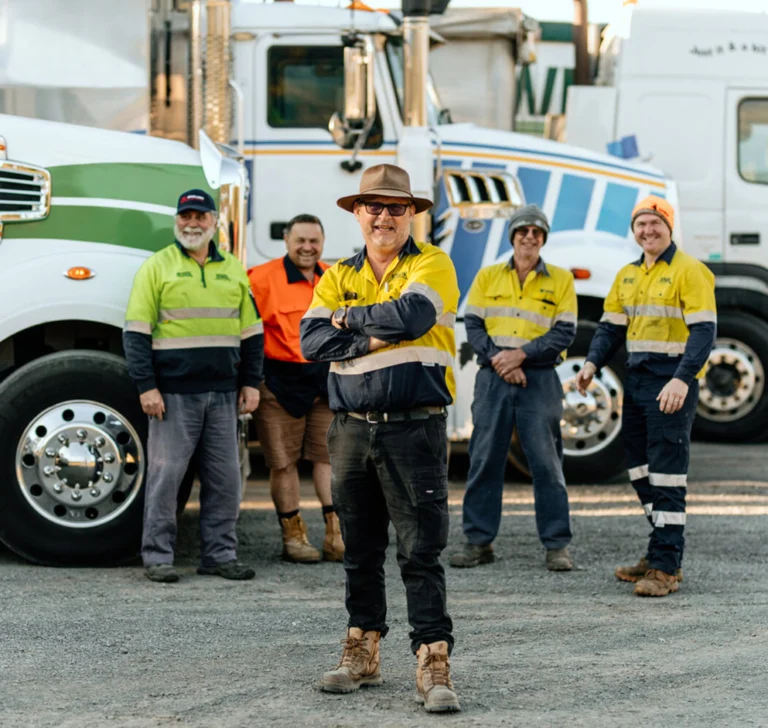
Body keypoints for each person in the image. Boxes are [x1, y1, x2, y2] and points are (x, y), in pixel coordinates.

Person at [300, 164, 461, 713]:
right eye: (374, 206)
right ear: (358, 212)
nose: (385, 216)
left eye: (396, 207)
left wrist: (348, 320)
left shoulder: (434, 263)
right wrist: (368, 335)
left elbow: (414, 315)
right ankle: (362, 649)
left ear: (411, 213)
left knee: (421, 551)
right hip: (349, 431)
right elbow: (310, 339)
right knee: (359, 550)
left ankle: (432, 660)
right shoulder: (337, 271)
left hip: (414, 428)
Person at [576, 195, 716, 597]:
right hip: (637, 383)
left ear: (669, 227)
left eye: (656, 223)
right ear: (634, 231)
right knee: (639, 469)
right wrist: (591, 365)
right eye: (641, 224)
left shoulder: (691, 272)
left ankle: (665, 568)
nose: (648, 231)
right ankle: (661, 550)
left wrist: (683, 379)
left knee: (669, 473)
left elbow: (704, 333)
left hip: (671, 382)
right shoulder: (627, 275)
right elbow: (610, 329)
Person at [123, 188, 263, 583]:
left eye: (201, 216)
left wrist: (251, 383)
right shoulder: (157, 267)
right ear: (176, 221)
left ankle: (220, 555)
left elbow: (252, 333)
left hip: (223, 395)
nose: (193, 223)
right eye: (186, 216)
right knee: (166, 478)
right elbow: (136, 333)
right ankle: (157, 557)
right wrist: (146, 387)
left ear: (214, 222)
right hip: (172, 395)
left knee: (225, 480)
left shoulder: (233, 268)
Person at [450, 205, 577, 572]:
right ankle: (478, 543)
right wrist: (501, 362)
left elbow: (564, 332)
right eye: (523, 231)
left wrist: (520, 356)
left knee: (547, 464)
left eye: (537, 232)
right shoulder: (488, 276)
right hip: (493, 379)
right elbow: (472, 324)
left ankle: (556, 546)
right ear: (512, 236)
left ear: (544, 239)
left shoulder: (561, 280)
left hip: (540, 379)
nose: (529, 237)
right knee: (485, 459)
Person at [247, 214, 343, 563]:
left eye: (314, 241)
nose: (307, 247)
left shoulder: (333, 277)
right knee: (283, 463)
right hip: (278, 383)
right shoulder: (262, 278)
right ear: (287, 240)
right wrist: (252, 380)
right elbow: (249, 332)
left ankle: (335, 534)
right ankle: (294, 537)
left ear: (323, 242)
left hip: (324, 382)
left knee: (328, 459)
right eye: (300, 240)